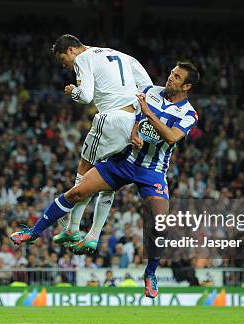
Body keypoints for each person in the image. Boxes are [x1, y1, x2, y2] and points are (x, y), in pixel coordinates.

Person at [12, 62, 199, 298]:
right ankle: (34, 232)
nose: (170, 78)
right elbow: (135, 118)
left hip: (152, 172)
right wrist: (134, 133)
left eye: (177, 77)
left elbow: (172, 137)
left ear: (187, 86)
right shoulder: (151, 92)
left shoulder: (189, 113)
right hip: (123, 161)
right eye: (171, 73)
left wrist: (149, 114)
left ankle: (150, 273)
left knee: (159, 224)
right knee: (77, 192)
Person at [47, 34, 152, 248]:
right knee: (108, 179)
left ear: (70, 50)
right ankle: (93, 236)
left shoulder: (82, 58)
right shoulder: (116, 54)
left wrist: (72, 91)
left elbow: (86, 97)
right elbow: (147, 87)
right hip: (133, 121)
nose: (66, 66)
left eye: (63, 61)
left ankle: (73, 228)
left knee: (84, 168)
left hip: (111, 119)